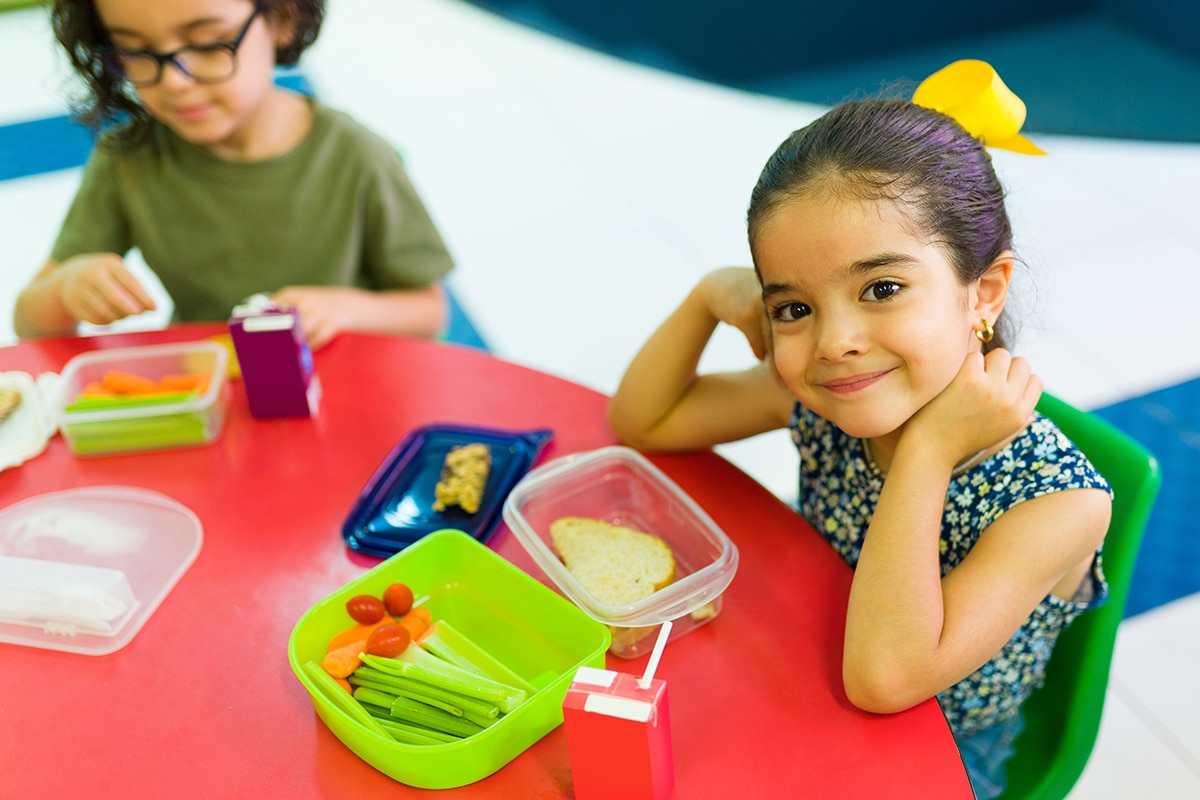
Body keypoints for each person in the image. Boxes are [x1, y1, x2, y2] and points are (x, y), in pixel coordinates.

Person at [607, 61, 1113, 798]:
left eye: (882, 289)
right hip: (800, 666)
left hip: (934, 753)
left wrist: (928, 454)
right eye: (794, 307)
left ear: (985, 292)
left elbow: (886, 679)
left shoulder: (1058, 505)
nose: (834, 341)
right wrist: (707, 297)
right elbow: (644, 421)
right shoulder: (827, 398)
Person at [13, 0, 454, 350]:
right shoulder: (128, 158)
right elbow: (29, 324)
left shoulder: (358, 156)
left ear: (282, 17)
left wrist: (344, 309)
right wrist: (65, 290)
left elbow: (429, 310)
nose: (175, 83)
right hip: (211, 403)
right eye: (135, 51)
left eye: (207, 43)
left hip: (341, 388)